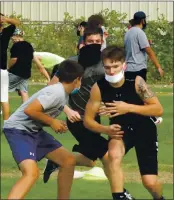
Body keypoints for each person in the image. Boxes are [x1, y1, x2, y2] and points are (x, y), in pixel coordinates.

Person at [44, 27, 133, 199]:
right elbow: (50, 90)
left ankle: (57, 159)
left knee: (90, 160)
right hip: (77, 120)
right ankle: (121, 193)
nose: (94, 45)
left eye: (97, 42)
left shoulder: (106, 65)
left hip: (94, 120)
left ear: (102, 42)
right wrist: (67, 109)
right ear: (83, 42)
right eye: (90, 41)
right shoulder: (71, 63)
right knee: (107, 156)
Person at [84, 45, 165, 200]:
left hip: (144, 129)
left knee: (150, 183)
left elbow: (158, 109)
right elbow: (87, 120)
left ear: (124, 65)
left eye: (115, 66)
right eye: (107, 67)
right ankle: (119, 196)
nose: (112, 71)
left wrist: (127, 107)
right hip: (119, 129)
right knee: (112, 155)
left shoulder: (136, 81)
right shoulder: (98, 87)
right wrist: (105, 129)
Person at [3, 60, 84, 199]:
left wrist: (55, 124)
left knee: (68, 160)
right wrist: (52, 122)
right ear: (77, 79)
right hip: (19, 131)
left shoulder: (62, 93)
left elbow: (38, 114)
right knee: (31, 173)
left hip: (33, 131)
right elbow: (30, 110)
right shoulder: (56, 92)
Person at [124, 11, 164, 124]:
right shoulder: (139, 32)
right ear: (143, 20)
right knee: (143, 96)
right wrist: (158, 67)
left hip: (128, 69)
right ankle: (151, 118)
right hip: (138, 68)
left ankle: (145, 118)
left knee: (133, 96)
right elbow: (149, 51)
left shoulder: (128, 32)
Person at [8, 28, 50, 103]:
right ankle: (25, 112)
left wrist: (8, 67)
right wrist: (48, 78)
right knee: (24, 92)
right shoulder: (29, 46)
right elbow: (39, 64)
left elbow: (14, 60)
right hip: (26, 75)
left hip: (15, 73)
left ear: (17, 36)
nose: (11, 38)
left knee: (3, 89)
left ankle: (3, 109)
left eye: (12, 36)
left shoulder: (15, 46)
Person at [0, 13, 20, 120]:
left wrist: (6, 19)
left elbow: (17, 23)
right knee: (3, 97)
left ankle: (6, 124)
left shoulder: (6, 31)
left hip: (2, 68)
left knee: (4, 97)